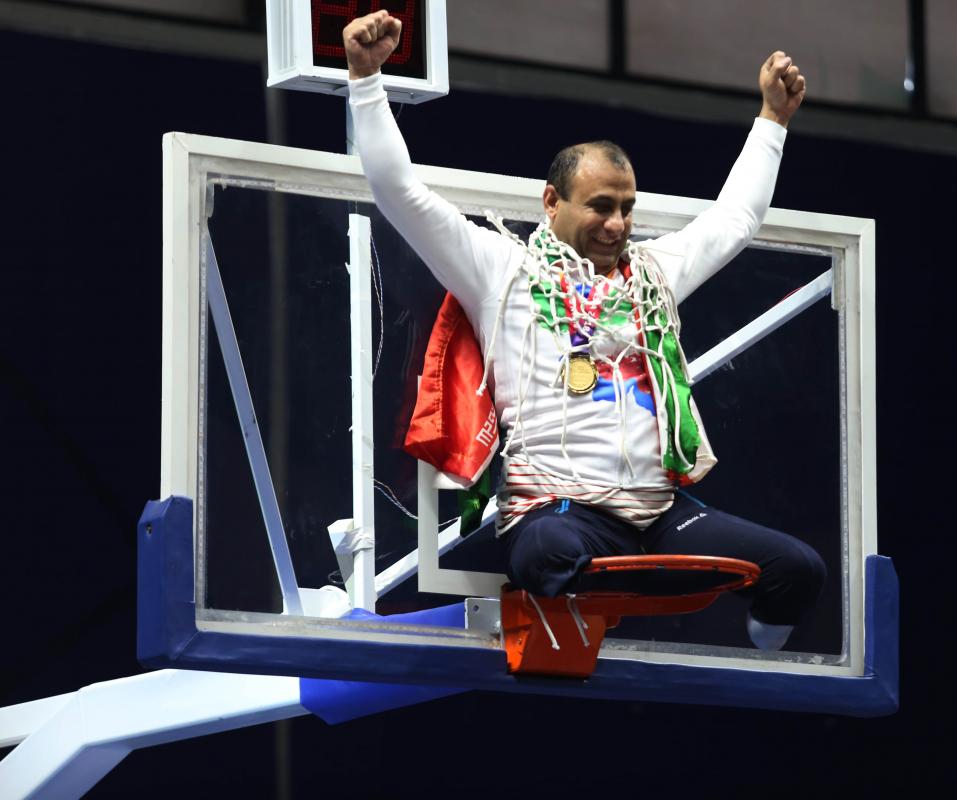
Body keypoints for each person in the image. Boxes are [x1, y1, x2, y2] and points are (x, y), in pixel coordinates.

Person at [343, 10, 825, 650]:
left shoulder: (653, 277)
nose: (618, 224)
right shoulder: (500, 271)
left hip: (658, 516)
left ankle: (762, 669)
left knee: (798, 570)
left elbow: (736, 219)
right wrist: (367, 82)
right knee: (546, 554)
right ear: (552, 202)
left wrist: (772, 121)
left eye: (627, 208)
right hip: (559, 514)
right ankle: (573, 615)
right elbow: (400, 192)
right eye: (600, 205)